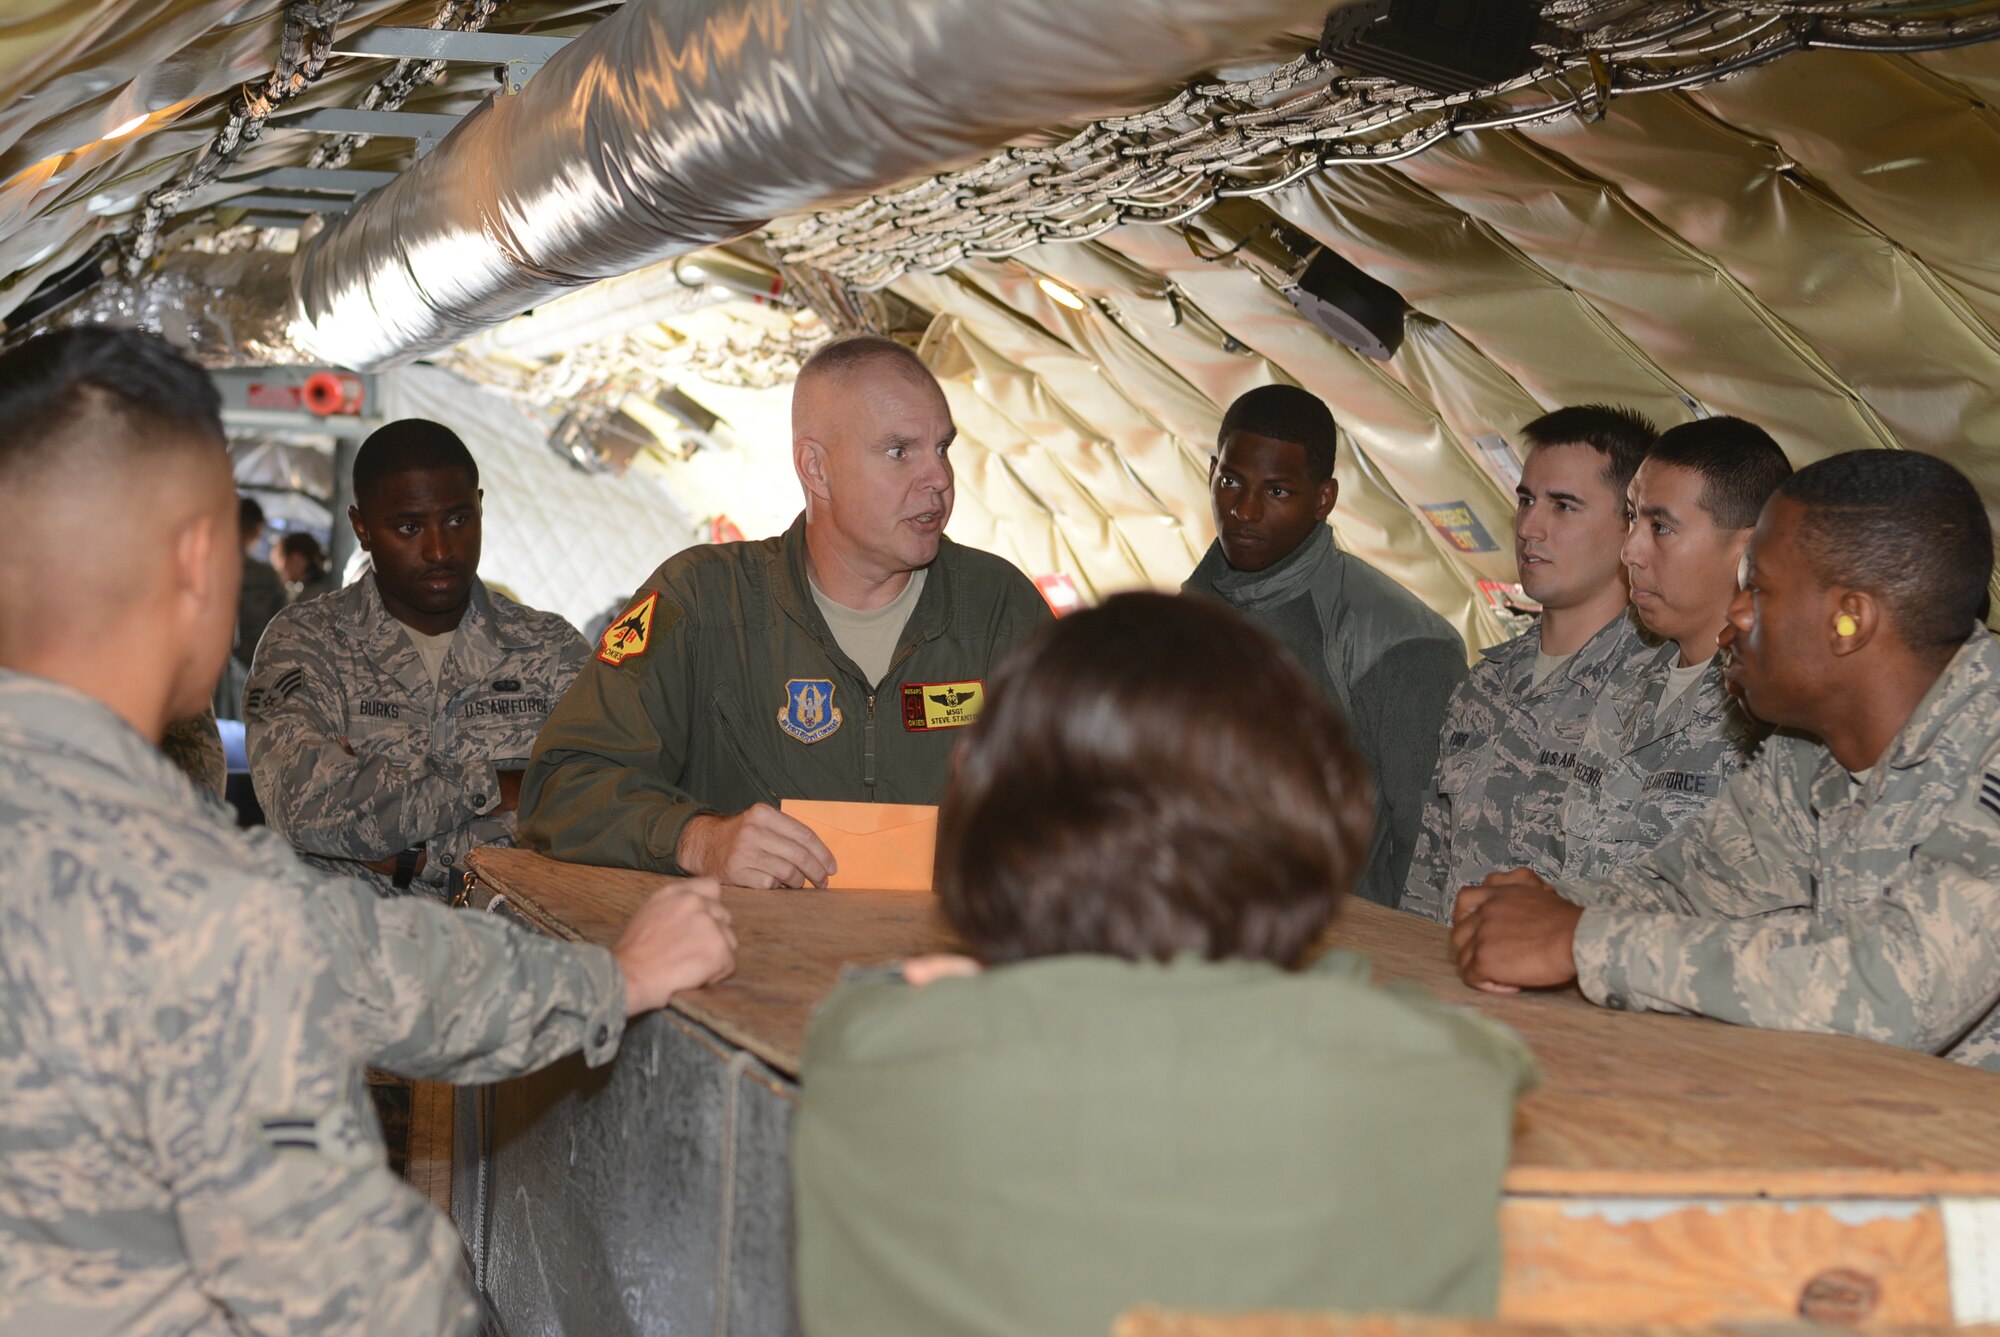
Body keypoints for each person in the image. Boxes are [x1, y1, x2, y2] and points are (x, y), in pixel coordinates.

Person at [0, 326, 736, 1333]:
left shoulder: (165, 873)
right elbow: (361, 1301)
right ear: (199, 559)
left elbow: (352, 949)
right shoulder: (199, 905)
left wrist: (604, 978)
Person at [792, 593, 1535, 1337]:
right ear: (1307, 819)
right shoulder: (1441, 1078)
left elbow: (866, 1012)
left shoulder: (872, 1054)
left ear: (993, 810)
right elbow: (1471, 1046)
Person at [1452, 451, 2000, 1069]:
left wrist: (1582, 941)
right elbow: (1691, 888)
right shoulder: (1807, 751)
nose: (1734, 616)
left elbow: (1899, 989)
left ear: (1850, 622)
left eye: (1758, 590)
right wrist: (1548, 909)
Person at [520, 334, 1051, 888]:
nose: (938, 479)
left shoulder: (999, 611)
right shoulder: (702, 602)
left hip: (944, 965)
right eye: (899, 452)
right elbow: (563, 786)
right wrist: (698, 839)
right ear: (815, 469)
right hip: (756, 961)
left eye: (942, 447)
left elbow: (1097, 796)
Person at [245, 419, 589, 899]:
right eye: (409, 526)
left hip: (513, 957)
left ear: (481, 509)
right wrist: (495, 785)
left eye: (457, 520)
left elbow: (594, 812)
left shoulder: (550, 648)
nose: (439, 550)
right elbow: (305, 808)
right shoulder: (307, 643)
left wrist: (410, 855)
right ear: (362, 529)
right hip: (351, 953)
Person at [1183, 384, 1466, 906]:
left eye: (1277, 492)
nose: (1243, 511)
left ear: (1324, 499)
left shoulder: (1403, 643)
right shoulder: (1190, 614)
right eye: (1230, 481)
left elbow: (1426, 846)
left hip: (1328, 953)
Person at [1402, 405, 1667, 922]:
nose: (1530, 527)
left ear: (1629, 526)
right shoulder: (1485, 686)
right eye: (1526, 500)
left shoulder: (1656, 697)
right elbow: (1429, 877)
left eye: (1564, 506)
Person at [1547, 418, 1793, 879]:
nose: (1630, 551)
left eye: (1660, 527)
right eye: (1632, 517)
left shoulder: (1777, 720)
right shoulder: (1618, 681)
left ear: (1750, 548)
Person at [275, 530, 337, 603]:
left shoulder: (307, 598)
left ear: (296, 559)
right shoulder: (328, 583)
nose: (278, 569)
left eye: (279, 561)